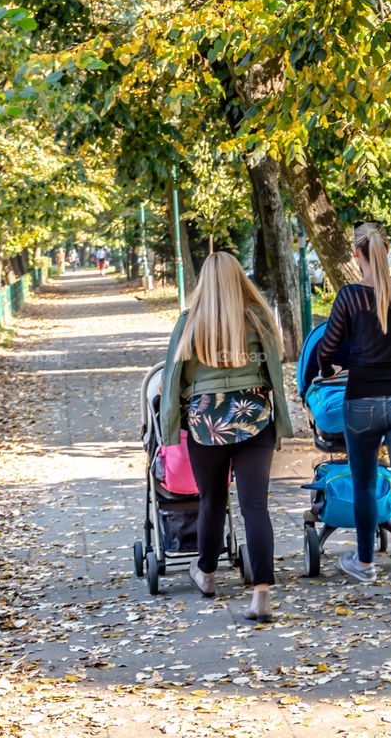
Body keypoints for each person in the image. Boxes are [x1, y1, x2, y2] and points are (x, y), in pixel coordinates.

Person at [160, 251, 293, 622]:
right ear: (239, 279)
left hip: (207, 423)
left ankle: (206, 574)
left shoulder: (189, 322)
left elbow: (174, 378)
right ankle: (262, 594)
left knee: (212, 501)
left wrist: (172, 428)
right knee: (255, 506)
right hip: (254, 417)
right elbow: (275, 370)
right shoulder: (258, 318)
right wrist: (279, 421)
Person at [318, 220, 391, 602]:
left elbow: (326, 350)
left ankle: (365, 563)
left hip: (361, 401)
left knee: (365, 482)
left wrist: (327, 371)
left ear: (357, 253)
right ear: (387, 248)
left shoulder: (349, 296)